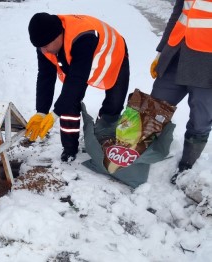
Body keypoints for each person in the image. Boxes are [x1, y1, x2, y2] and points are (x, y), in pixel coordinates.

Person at [25, 12, 130, 162]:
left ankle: (102, 136)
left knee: (115, 101)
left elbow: (77, 80)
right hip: (79, 58)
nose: (43, 51)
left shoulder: (83, 38)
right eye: (39, 47)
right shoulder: (45, 43)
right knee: (69, 103)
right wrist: (41, 111)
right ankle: (69, 148)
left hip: (113, 53)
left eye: (45, 46)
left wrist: (55, 113)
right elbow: (45, 76)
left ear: (58, 35)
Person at [150, 0, 212, 184]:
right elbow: (179, 13)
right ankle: (138, 153)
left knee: (200, 119)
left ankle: (186, 168)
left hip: (207, 63)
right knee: (155, 106)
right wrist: (162, 50)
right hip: (177, 52)